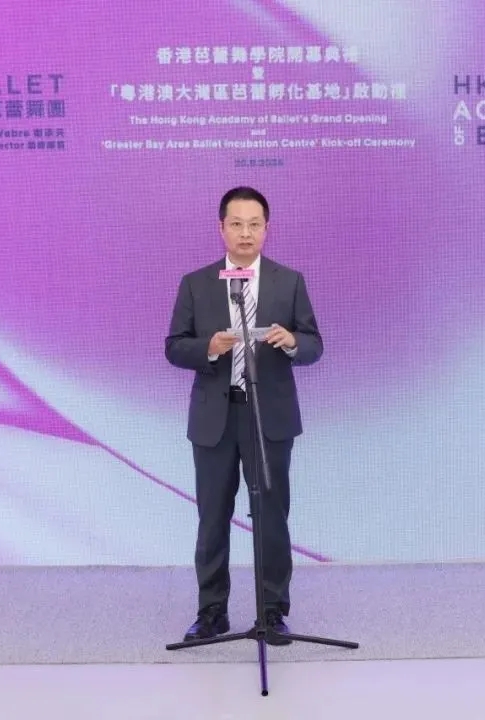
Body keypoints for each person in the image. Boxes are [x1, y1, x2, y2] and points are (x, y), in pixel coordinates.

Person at [165, 186, 323, 645]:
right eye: (236, 224)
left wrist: (292, 342)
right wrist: (208, 348)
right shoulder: (196, 283)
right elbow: (174, 346)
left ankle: (272, 611)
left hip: (268, 418)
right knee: (213, 517)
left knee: (271, 516)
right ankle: (211, 612)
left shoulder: (288, 282)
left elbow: (314, 344)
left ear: (267, 229)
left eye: (254, 224)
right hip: (215, 418)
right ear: (221, 229)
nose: (245, 233)